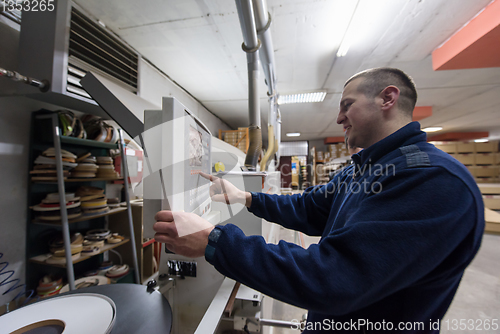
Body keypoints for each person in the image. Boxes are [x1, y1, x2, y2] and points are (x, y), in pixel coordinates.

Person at [153, 67, 484, 333]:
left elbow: (334, 278)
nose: (339, 118)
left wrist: (215, 241)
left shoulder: (433, 180)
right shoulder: (363, 168)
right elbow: (308, 208)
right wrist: (247, 197)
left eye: (346, 105)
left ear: (388, 98)